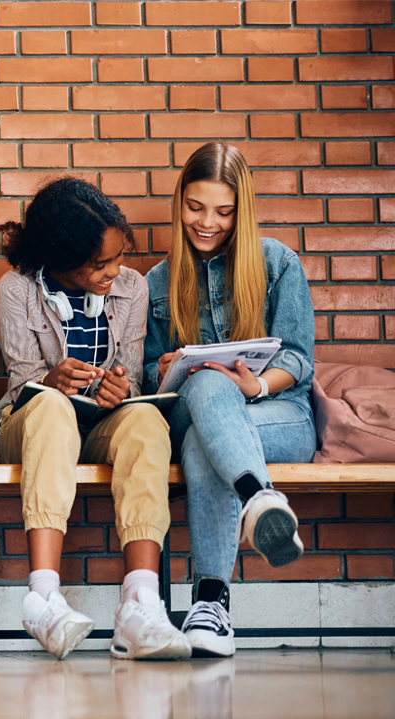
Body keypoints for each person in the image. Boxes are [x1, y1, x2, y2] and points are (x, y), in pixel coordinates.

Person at [0, 176, 189, 660]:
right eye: (99, 265)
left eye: (119, 257)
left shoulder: (133, 289)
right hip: (33, 421)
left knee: (146, 423)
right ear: (62, 260)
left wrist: (122, 387)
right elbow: (21, 387)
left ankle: (140, 603)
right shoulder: (17, 290)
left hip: (100, 422)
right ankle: (42, 596)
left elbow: (134, 379)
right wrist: (53, 380)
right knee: (52, 406)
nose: (114, 272)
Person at [144, 142, 316, 658]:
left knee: (205, 441)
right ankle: (259, 498)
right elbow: (144, 385)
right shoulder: (157, 281)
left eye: (223, 211)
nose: (207, 222)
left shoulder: (277, 262)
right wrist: (160, 370)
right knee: (206, 382)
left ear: (242, 210)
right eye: (195, 207)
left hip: (279, 415)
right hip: (191, 411)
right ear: (180, 203)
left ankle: (211, 605)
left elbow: (299, 359)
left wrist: (257, 385)